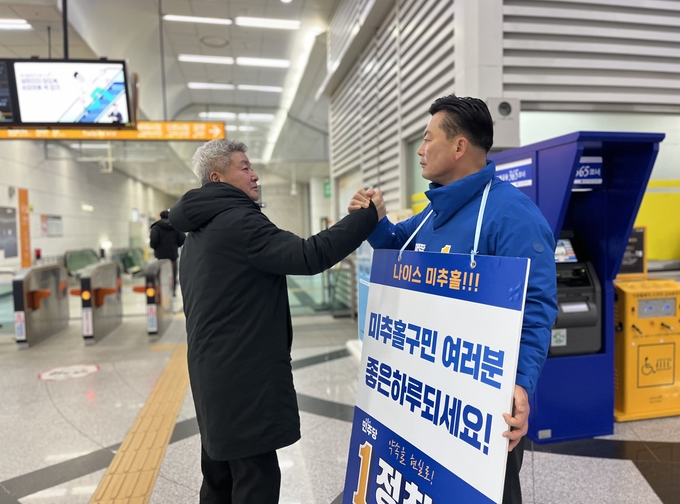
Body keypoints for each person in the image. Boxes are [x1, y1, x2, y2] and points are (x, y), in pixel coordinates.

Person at [348, 95, 558, 504]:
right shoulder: (434, 212)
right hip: (433, 397)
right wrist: (372, 219)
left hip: (480, 407)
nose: (420, 150)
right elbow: (396, 243)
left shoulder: (513, 216)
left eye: (428, 139)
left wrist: (520, 384)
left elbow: (535, 308)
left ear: (459, 146)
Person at [168, 138, 386, 503]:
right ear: (217, 177)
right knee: (255, 482)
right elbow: (308, 255)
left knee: (220, 479)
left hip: (212, 378)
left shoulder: (196, 233)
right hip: (244, 381)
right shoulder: (239, 222)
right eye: (245, 167)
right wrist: (367, 217)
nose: (255, 175)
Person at [149, 210, 185, 296]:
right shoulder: (175, 226)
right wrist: (176, 245)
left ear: (160, 217)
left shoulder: (156, 227)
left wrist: (155, 247)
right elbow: (182, 238)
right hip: (172, 254)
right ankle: (173, 291)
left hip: (160, 255)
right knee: (173, 273)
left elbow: (153, 240)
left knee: (160, 273)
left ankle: (161, 291)